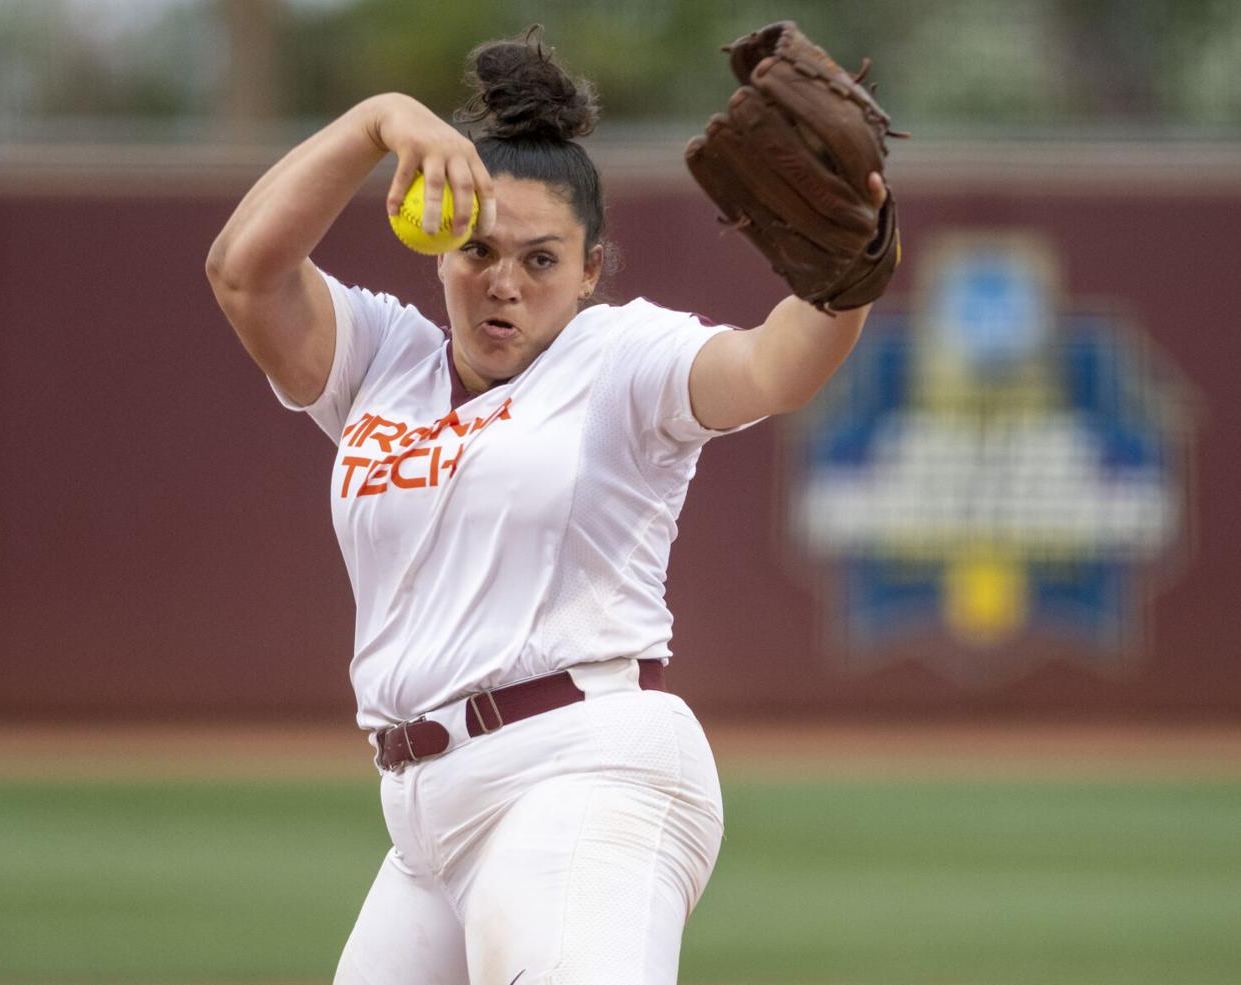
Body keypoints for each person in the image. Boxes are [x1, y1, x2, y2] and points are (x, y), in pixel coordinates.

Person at [206, 27, 888, 985]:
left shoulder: (618, 359)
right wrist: (375, 123)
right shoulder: (383, 361)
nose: (503, 283)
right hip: (424, 822)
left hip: (582, 772)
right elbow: (245, 271)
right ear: (438, 241)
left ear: (592, 267)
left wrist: (848, 278)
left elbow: (773, 367)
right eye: (479, 249)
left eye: (540, 260)